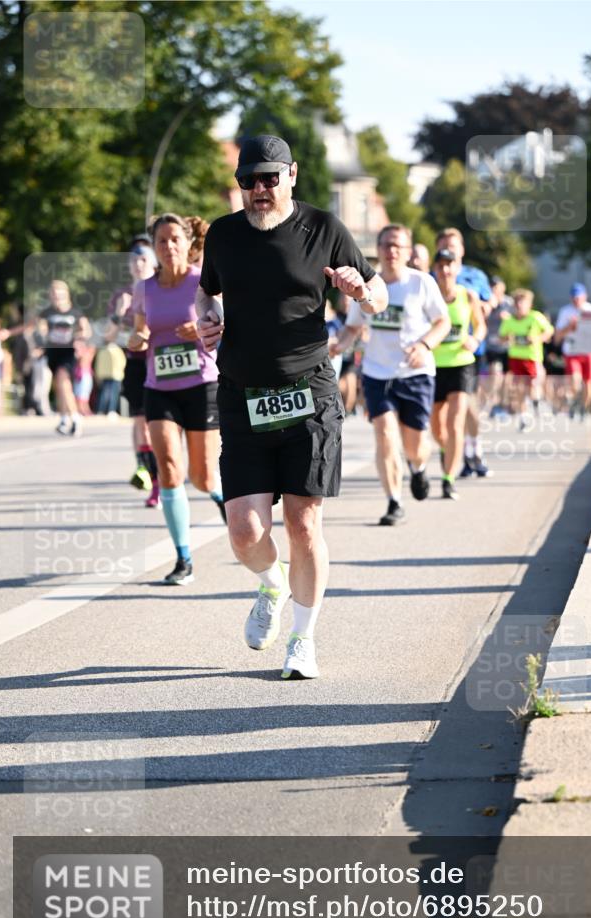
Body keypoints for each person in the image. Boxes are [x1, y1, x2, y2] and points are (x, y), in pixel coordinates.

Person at [197, 134, 387, 679]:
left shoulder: (324, 228)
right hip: (243, 397)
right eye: (249, 180)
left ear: (292, 175)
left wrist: (358, 289)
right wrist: (208, 317)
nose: (259, 189)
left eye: (269, 178)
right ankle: (271, 583)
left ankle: (303, 640)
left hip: (309, 395)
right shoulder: (224, 235)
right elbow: (207, 291)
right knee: (244, 531)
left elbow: (379, 297)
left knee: (304, 525)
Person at [128, 212, 225, 584]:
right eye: (161, 241)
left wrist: (199, 331)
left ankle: (220, 496)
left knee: (202, 477)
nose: (168, 246)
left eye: (174, 239)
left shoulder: (203, 282)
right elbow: (139, 333)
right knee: (168, 468)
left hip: (201, 385)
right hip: (159, 388)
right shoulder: (144, 289)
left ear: (188, 243)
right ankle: (183, 559)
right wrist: (137, 339)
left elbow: (225, 326)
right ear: (154, 248)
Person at [334, 224, 449, 524]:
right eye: (386, 244)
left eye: (398, 245)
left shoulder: (421, 283)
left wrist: (424, 345)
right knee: (384, 434)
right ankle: (394, 501)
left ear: (408, 252)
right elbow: (352, 328)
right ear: (378, 249)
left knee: (415, 446)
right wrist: (337, 346)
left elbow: (443, 323)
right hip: (377, 373)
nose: (392, 251)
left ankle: (418, 468)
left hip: (415, 373)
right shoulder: (367, 285)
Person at [434, 228, 492, 478]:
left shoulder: (475, 276)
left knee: (467, 408)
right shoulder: (432, 275)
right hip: (438, 356)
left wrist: (482, 307)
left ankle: (474, 452)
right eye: (444, 246)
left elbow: (489, 303)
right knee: (442, 418)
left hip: (469, 352)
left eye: (453, 246)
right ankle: (453, 450)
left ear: (462, 250)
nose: (449, 250)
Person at [112, 242, 162, 505]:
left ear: (153, 263)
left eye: (143, 258)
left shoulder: (164, 288)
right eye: (133, 259)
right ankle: (152, 479)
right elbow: (108, 336)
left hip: (163, 362)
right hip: (136, 365)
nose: (138, 263)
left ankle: (163, 474)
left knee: (161, 426)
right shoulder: (122, 295)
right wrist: (120, 313)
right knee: (141, 424)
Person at [37, 280, 92, 435]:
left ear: (66, 295)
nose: (57, 297)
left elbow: (86, 330)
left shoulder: (75, 312)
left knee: (63, 382)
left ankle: (75, 418)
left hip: (68, 353)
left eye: (60, 294)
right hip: (52, 353)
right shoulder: (47, 313)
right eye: (54, 294)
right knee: (59, 385)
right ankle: (63, 418)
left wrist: (79, 338)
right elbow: (39, 328)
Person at [499, 290, 554, 430]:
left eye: (523, 303)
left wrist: (537, 338)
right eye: (517, 303)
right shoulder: (509, 320)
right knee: (519, 387)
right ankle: (524, 415)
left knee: (533, 385)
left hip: (532, 357)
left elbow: (549, 331)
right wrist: (507, 338)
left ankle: (537, 402)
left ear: (529, 304)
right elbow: (501, 337)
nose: (520, 306)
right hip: (516, 357)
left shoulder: (535, 317)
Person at [554, 282, 591, 417]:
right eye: (574, 297)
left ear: (585, 296)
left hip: (589, 351)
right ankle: (574, 403)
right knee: (575, 381)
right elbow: (558, 335)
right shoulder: (565, 311)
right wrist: (570, 327)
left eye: (578, 297)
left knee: (589, 383)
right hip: (572, 350)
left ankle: (584, 408)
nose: (576, 300)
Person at [483, 276, 513, 416]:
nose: (494, 289)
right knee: (495, 374)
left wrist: (508, 319)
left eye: (497, 286)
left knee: (507, 379)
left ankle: (503, 404)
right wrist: (490, 307)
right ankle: (493, 403)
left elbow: (518, 320)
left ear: (503, 287)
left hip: (507, 346)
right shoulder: (487, 302)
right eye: (492, 287)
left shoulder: (509, 303)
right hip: (492, 346)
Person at [94, 329, 126, 416]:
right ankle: (110, 411)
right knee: (112, 394)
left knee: (104, 394)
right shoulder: (116, 349)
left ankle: (101, 410)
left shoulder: (102, 350)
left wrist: (98, 375)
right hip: (115, 375)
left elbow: (98, 363)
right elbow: (122, 362)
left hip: (105, 375)